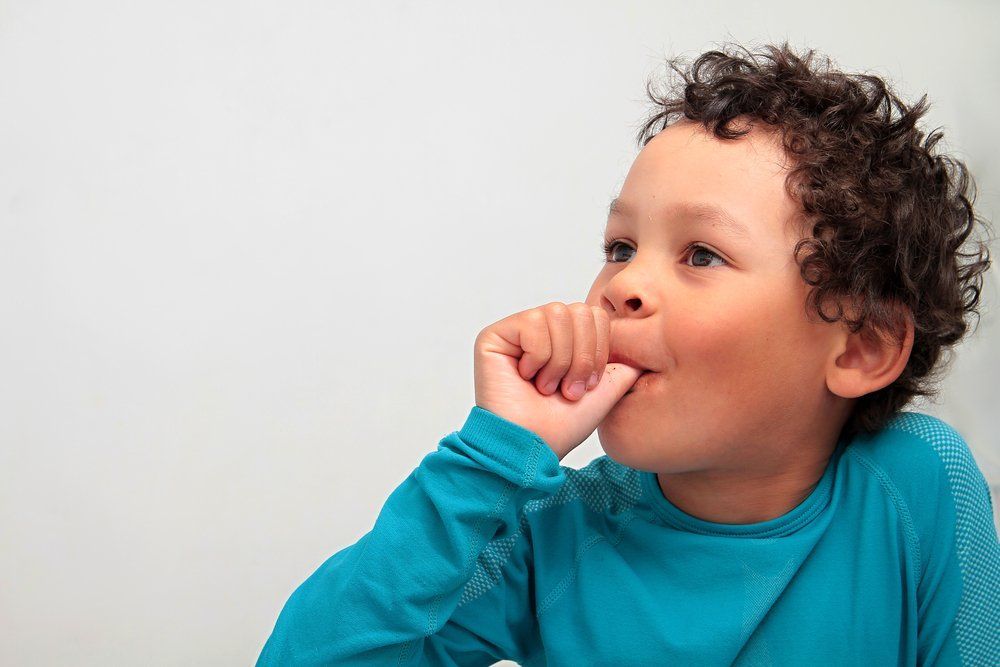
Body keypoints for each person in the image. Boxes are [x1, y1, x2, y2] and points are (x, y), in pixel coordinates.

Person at [256, 42, 998, 665]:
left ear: (862, 348)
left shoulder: (918, 482)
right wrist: (486, 457)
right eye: (620, 247)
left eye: (702, 254)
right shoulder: (549, 533)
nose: (622, 285)